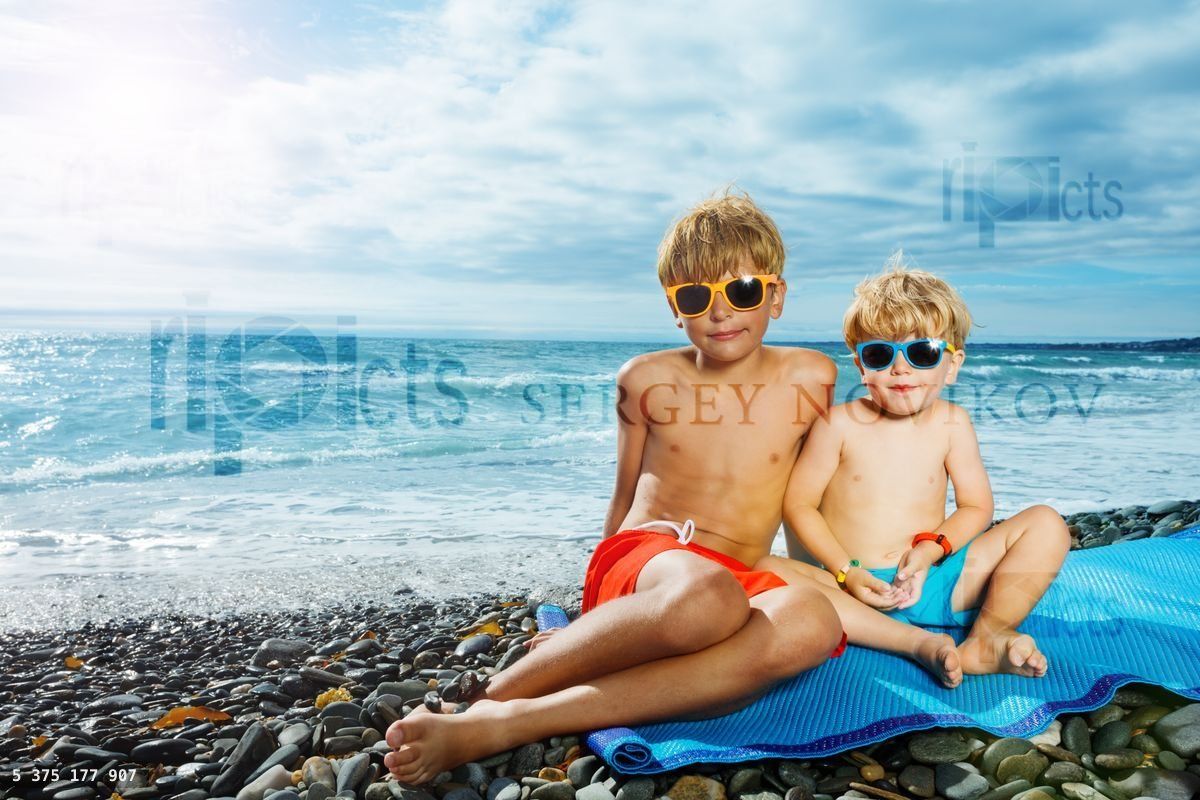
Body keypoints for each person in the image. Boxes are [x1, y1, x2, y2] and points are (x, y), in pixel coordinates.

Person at [384, 191, 848, 784]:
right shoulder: (646, 377)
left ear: (776, 296)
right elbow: (624, 491)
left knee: (812, 620)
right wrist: (594, 616)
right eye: (695, 297)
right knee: (706, 598)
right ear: (674, 308)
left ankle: (519, 721)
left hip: (736, 573)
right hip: (650, 555)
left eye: (742, 290)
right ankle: (486, 705)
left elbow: (805, 494)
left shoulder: (813, 374)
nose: (720, 312)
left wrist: (829, 573)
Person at [754, 256, 1071, 686]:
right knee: (766, 567)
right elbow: (799, 505)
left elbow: (977, 507)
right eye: (880, 354)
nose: (900, 368)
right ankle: (910, 641)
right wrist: (846, 571)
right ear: (861, 366)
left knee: (1046, 524)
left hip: (937, 579)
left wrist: (928, 553)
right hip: (852, 589)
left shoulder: (953, 424)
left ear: (952, 365)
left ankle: (988, 636)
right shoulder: (839, 425)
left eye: (922, 353)